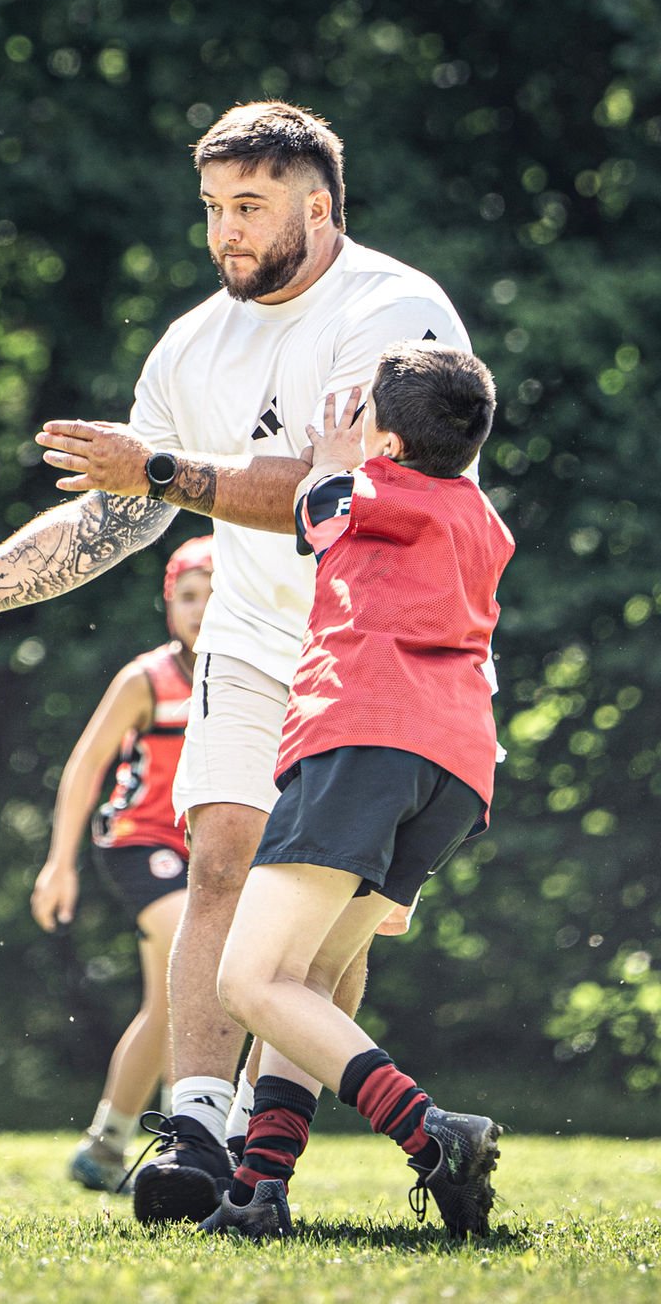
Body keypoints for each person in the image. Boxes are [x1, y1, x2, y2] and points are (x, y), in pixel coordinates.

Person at [0, 99, 475, 1224]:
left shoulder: (393, 310)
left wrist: (163, 469)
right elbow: (114, 519)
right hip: (253, 640)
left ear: (317, 208)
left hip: (371, 656)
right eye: (213, 209)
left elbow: (341, 494)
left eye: (250, 207)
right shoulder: (193, 342)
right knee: (220, 858)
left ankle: (274, 1165)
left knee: (322, 929)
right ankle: (192, 1133)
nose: (225, 232)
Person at [206, 343, 514, 1241]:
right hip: (454, 763)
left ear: (385, 436)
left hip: (365, 736)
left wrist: (336, 463)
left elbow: (314, 515)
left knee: (251, 979)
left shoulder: (371, 490)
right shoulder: (481, 517)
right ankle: (260, 1185)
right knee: (312, 978)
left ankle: (433, 1134)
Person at [32, 537, 213, 1192]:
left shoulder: (258, 676)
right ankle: (196, 1144)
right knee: (204, 964)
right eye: (187, 596)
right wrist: (60, 863)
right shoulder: (147, 680)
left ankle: (108, 1143)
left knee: (169, 1000)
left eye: (215, 594)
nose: (200, 608)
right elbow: (85, 767)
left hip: (212, 850)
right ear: (169, 606)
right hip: (140, 842)